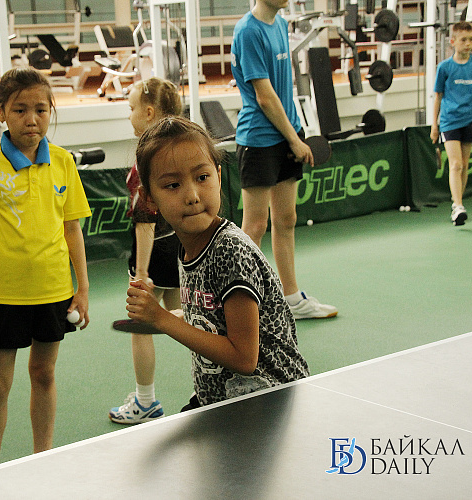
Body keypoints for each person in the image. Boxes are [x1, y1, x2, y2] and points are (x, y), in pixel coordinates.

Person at [125, 116, 310, 408]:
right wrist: (184, 317)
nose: (192, 196)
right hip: (225, 402)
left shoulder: (230, 251)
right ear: (149, 200)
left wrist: (161, 318)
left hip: (271, 402)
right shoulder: (189, 246)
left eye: (202, 177)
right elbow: (219, 318)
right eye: (173, 185)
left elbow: (244, 358)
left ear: (219, 177)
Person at [0, 67, 91, 468]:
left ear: (51, 111)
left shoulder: (64, 162)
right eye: (20, 110)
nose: (31, 119)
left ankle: (42, 460)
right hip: (4, 295)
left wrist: (83, 289)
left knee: (44, 374)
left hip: (54, 290)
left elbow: (72, 229)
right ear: (1, 112)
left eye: (40, 109)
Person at [230, 0, 337, 319]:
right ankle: (242, 305)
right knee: (254, 227)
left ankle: (292, 299)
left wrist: (297, 130)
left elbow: (282, 87)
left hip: (288, 130)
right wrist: (294, 139)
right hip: (259, 139)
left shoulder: (279, 23)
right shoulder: (248, 31)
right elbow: (264, 96)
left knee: (286, 219)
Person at [109, 78, 183, 424]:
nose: (130, 116)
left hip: (153, 255)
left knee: (140, 325)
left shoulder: (147, 158)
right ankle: (221, 382)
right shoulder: (181, 147)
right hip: (181, 249)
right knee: (193, 323)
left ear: (150, 112)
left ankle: (145, 401)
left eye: (132, 108)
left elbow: (144, 222)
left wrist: (141, 274)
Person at [431, 21, 472, 226]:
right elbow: (438, 97)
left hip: (470, 119)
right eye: (463, 40)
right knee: (455, 164)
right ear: (453, 41)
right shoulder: (444, 67)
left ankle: (458, 203)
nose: (468, 44)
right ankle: (457, 206)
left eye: (470, 40)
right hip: (449, 121)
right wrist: (434, 125)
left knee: (464, 165)